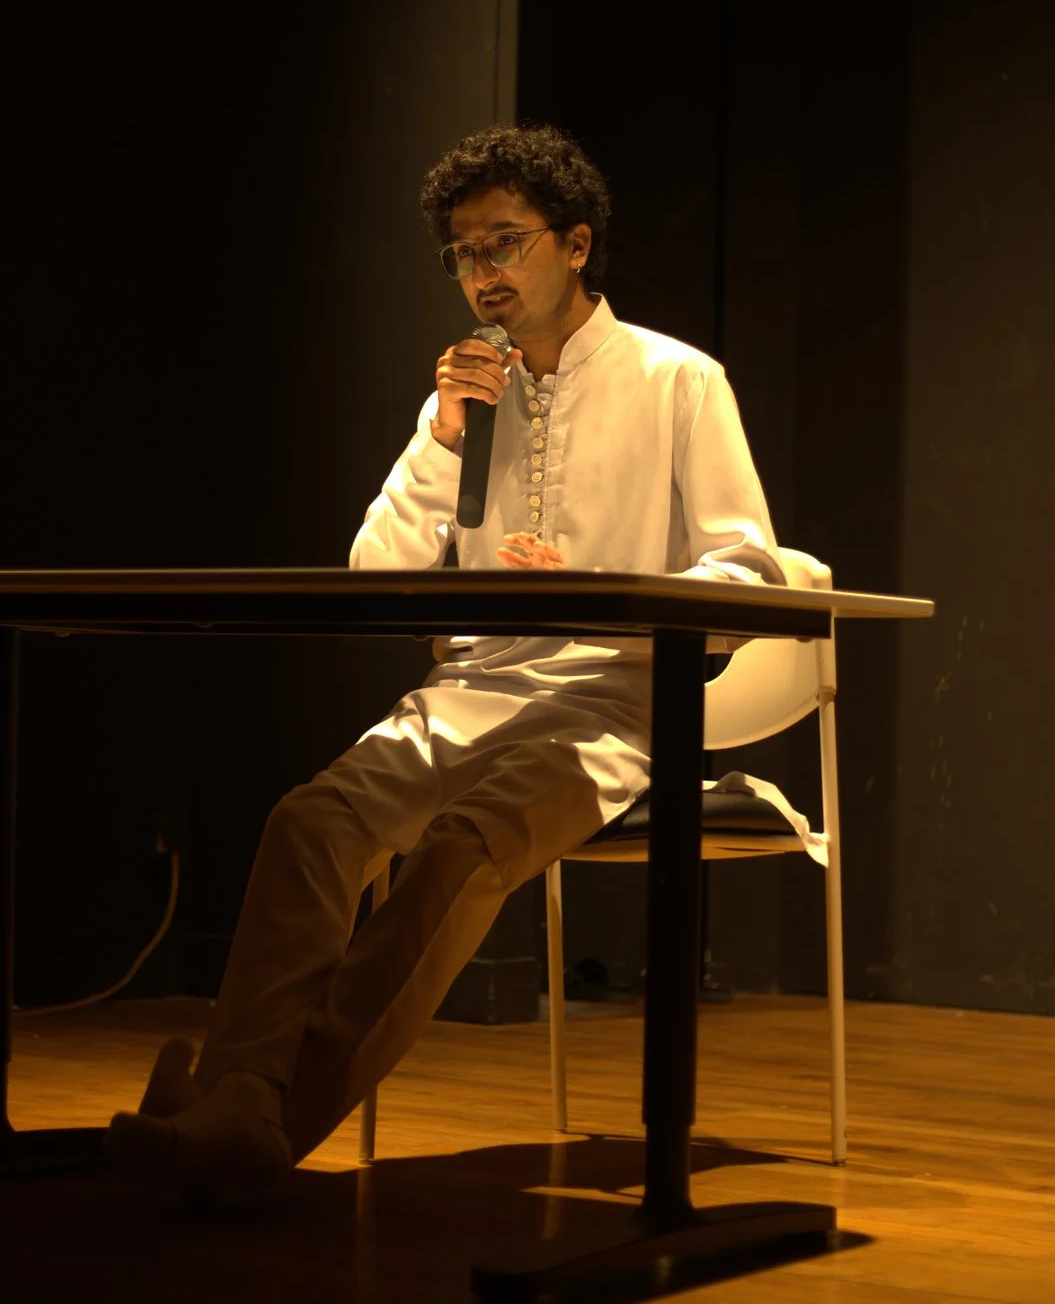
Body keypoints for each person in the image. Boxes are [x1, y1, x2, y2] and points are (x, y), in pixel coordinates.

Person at [105, 124, 787, 1199]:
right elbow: (375, 568)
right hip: (468, 690)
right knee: (312, 821)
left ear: (574, 245)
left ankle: (254, 1121)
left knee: (463, 847)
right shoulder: (468, 397)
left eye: (503, 245)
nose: (481, 275)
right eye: (463, 253)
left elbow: (750, 575)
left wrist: (596, 585)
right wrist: (443, 432)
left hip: (609, 703)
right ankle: (241, 1102)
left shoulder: (676, 380)